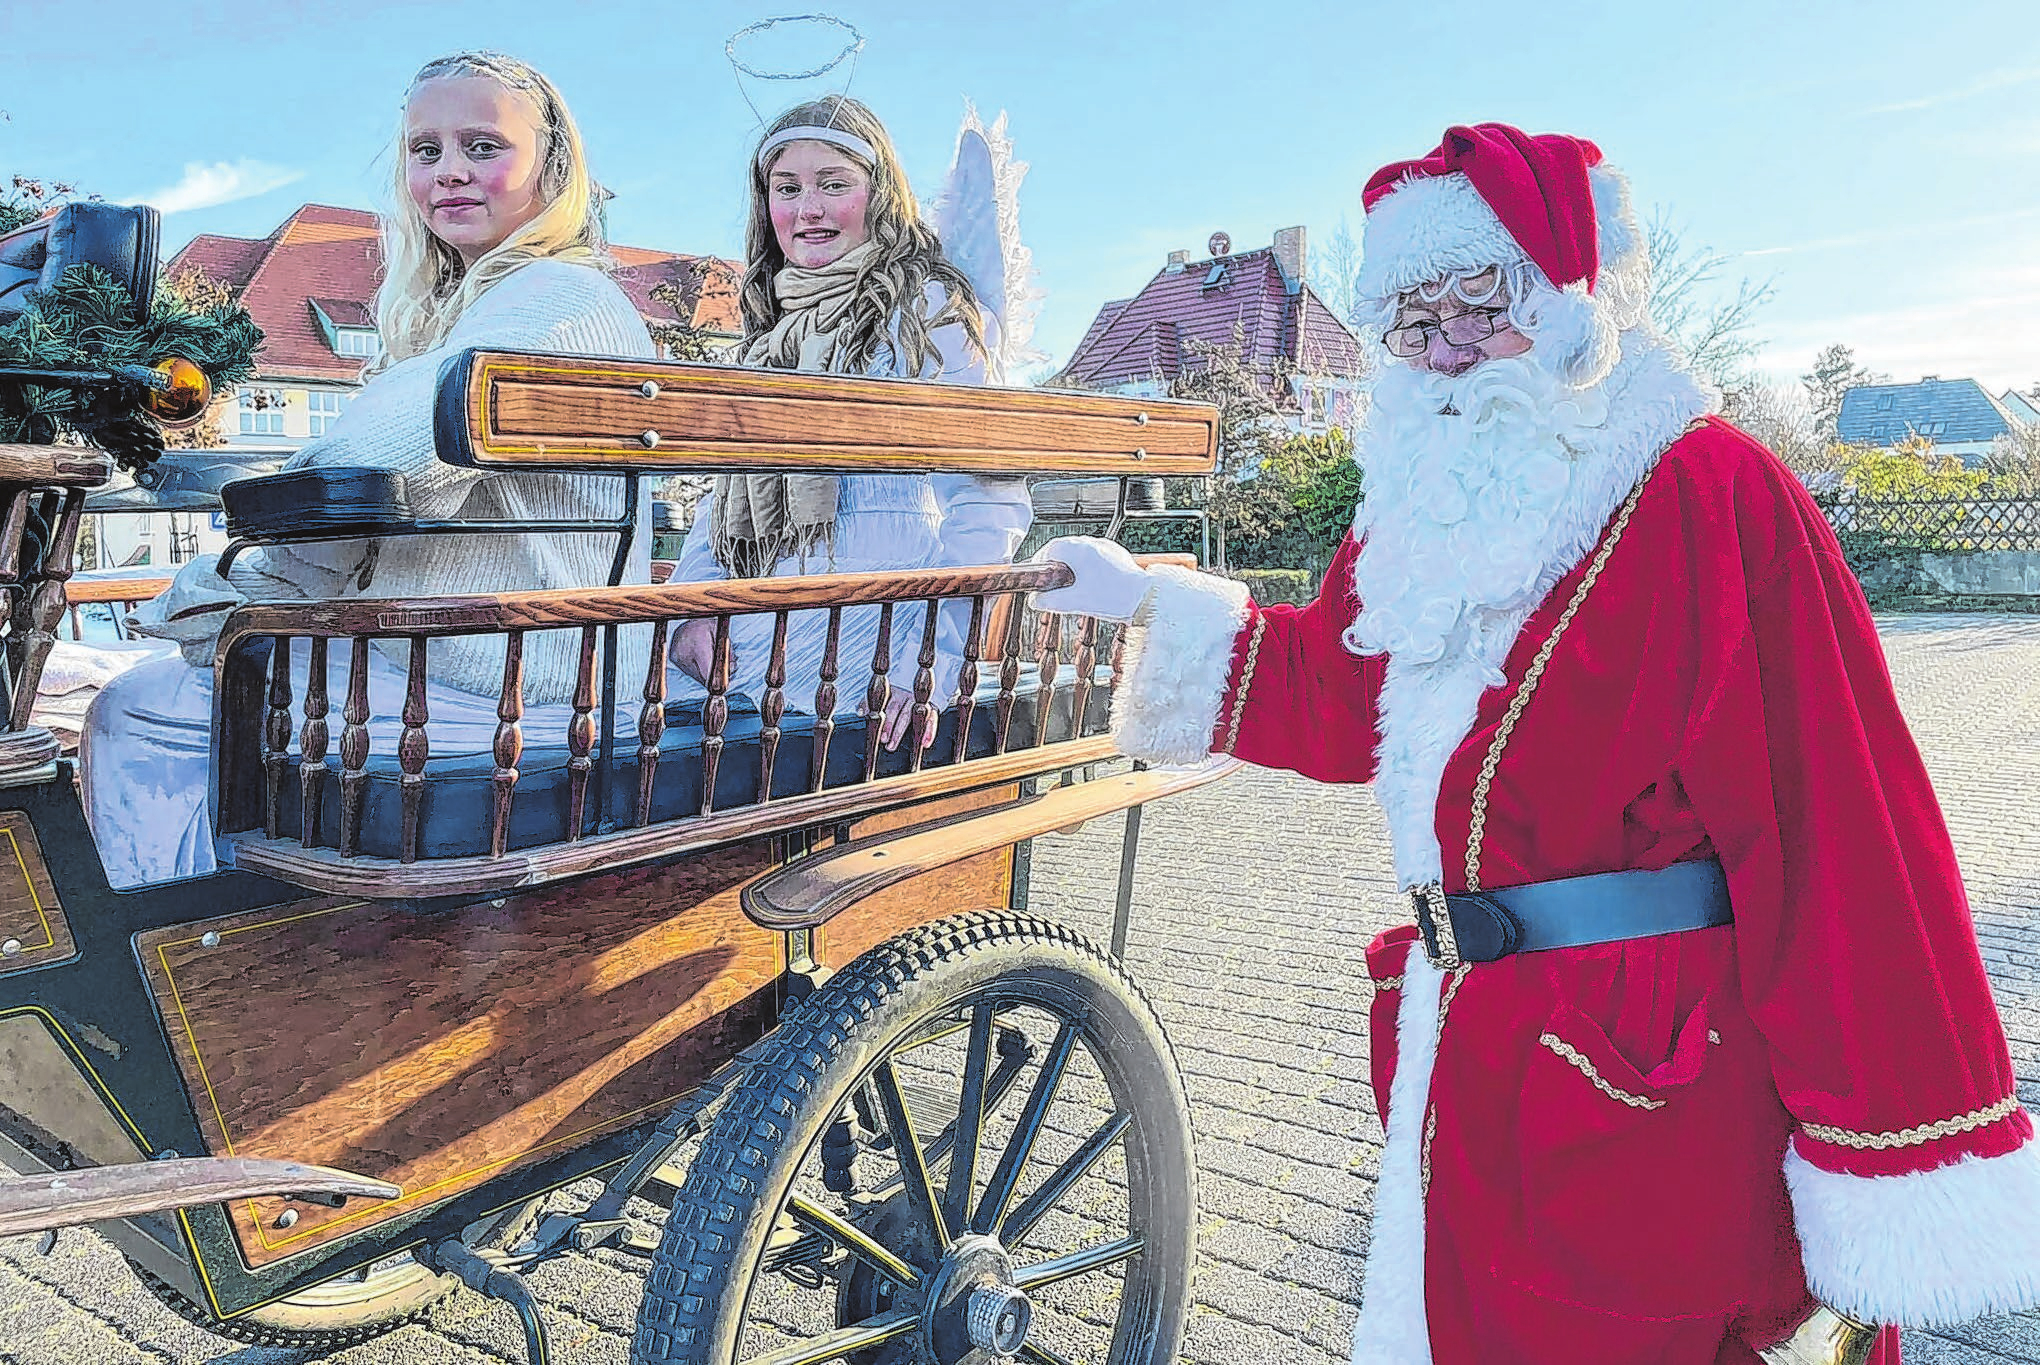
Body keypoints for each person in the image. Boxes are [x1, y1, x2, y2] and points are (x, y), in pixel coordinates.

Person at [1036, 124, 2040, 1364]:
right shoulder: (1422, 496)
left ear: (1576, 303)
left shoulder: (1709, 492)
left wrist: (1882, 1148)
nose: (1448, 344)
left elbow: (1841, 829)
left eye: (1482, 303)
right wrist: (1143, 597)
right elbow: (1343, 693)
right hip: (1475, 1054)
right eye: (1414, 319)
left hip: (1661, 1080)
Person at [81, 50, 655, 888]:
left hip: (508, 681)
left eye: (482, 147)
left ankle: (173, 963)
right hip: (506, 660)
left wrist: (213, 584)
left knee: (131, 710)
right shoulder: (505, 301)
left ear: (552, 169)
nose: (449, 173)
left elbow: (377, 476)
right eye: (427, 152)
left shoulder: (555, 300)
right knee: (189, 657)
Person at [667, 96, 1033, 751]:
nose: (808, 208)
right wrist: (694, 604)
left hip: (873, 622)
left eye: (833, 184)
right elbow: (726, 492)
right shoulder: (771, 331)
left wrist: (934, 662)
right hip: (755, 624)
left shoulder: (924, 310)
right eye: (788, 188)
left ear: (879, 195)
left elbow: (988, 497)